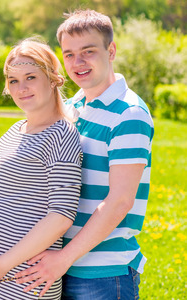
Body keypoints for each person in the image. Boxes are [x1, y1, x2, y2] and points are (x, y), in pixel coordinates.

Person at [14, 9, 154, 299]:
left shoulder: (129, 113)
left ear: (111, 50)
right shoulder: (76, 104)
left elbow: (119, 202)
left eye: (88, 51)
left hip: (103, 274)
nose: (77, 63)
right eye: (68, 54)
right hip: (61, 265)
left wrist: (63, 258)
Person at [0, 37, 83, 299]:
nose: (21, 88)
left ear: (53, 79)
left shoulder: (61, 134)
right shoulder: (17, 129)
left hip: (22, 279)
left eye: (30, 77)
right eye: (13, 80)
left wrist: (4, 263)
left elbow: (61, 215)